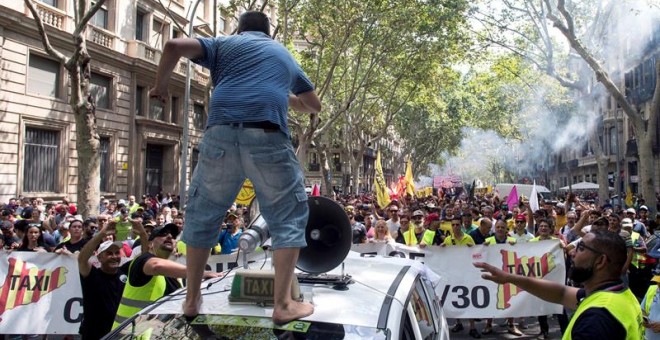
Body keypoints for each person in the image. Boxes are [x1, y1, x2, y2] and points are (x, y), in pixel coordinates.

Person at [150, 10, 321, 323]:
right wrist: (287, 98)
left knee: (205, 214)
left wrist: (160, 87)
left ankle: (191, 299)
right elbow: (314, 104)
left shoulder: (223, 44)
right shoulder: (283, 55)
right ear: (269, 34)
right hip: (268, 134)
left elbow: (173, 45)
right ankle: (282, 305)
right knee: (288, 217)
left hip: (220, 132)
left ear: (240, 30)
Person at [475, 230, 643, 339]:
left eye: (581, 248)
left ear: (600, 261)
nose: (572, 252)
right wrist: (509, 278)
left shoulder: (596, 320)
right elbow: (561, 293)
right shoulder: (618, 295)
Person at [112, 223, 222, 328]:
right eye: (163, 234)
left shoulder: (173, 275)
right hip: (125, 335)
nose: (169, 236)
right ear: (150, 243)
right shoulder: (142, 261)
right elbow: (156, 265)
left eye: (173, 236)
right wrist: (202, 273)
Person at [78, 220, 146, 339]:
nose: (114, 257)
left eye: (117, 253)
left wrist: (143, 234)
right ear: (99, 257)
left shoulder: (125, 271)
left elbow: (145, 258)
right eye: (109, 253)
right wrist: (101, 234)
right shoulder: (91, 274)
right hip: (93, 334)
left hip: (120, 332)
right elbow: (82, 259)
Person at [642, 275, 660, 340]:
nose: (658, 285)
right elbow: (642, 310)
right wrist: (644, 320)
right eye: (657, 281)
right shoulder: (652, 289)